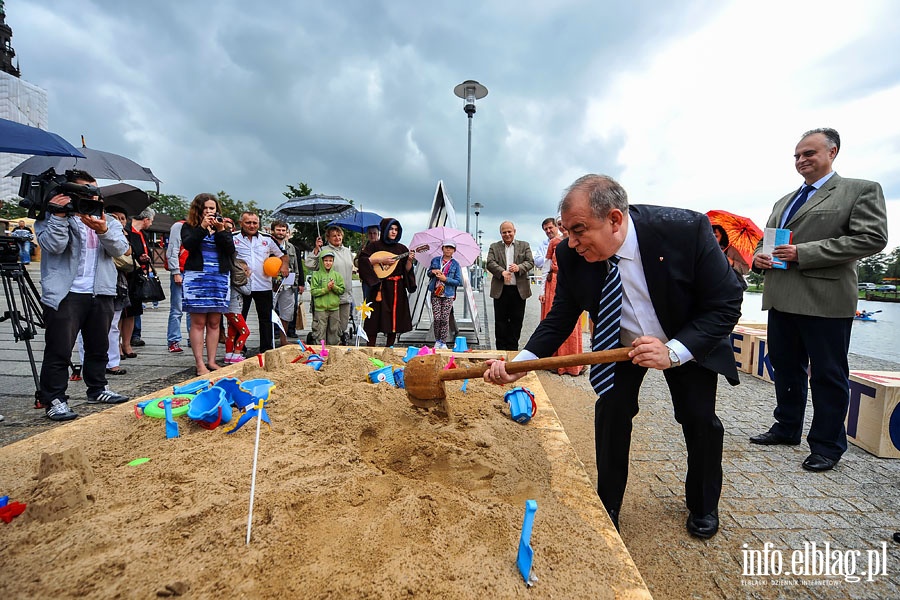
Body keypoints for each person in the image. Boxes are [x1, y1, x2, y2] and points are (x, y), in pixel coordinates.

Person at [484, 175, 742, 538]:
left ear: (615, 220)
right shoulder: (570, 255)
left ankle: (702, 504)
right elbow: (559, 320)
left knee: (699, 419)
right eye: (566, 231)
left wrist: (673, 352)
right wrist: (520, 366)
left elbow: (727, 302)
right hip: (621, 341)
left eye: (579, 230)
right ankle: (608, 507)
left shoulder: (686, 230)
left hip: (685, 337)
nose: (570, 243)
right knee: (611, 413)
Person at [750, 128, 888, 472]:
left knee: (828, 374)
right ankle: (786, 428)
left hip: (825, 298)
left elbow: (872, 238)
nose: (801, 160)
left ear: (832, 152)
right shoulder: (784, 201)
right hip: (781, 297)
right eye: (797, 155)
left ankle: (827, 446)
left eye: (808, 153)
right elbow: (764, 244)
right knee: (784, 367)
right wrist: (758, 259)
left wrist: (803, 253)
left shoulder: (860, 190)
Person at [34, 169, 132, 420]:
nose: (93, 196)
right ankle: (55, 399)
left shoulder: (107, 219)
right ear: (68, 193)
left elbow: (121, 249)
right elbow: (53, 246)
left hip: (100, 290)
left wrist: (102, 230)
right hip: (66, 293)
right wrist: (58, 215)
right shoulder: (51, 216)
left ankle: (98, 388)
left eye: (95, 191)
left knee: (98, 346)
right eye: (85, 191)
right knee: (59, 349)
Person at [181, 193, 235, 375]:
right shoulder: (189, 227)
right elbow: (188, 245)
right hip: (197, 279)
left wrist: (221, 230)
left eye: (213, 208)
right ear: (199, 209)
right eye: (207, 208)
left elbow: (230, 249)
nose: (210, 211)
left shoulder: (223, 228)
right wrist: (203, 228)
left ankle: (211, 361)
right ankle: (199, 363)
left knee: (214, 322)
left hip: (219, 279)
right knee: (198, 322)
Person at [233, 211, 287, 354]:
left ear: (259, 224)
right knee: (239, 317)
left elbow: (282, 255)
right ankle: (238, 348)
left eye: (255, 223)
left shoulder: (268, 238)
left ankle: (266, 349)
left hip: (263, 284)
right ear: (241, 223)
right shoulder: (233, 238)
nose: (252, 225)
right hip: (241, 286)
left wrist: (284, 267)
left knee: (265, 318)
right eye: (248, 222)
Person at [357, 218, 417, 347]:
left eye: (396, 229)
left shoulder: (402, 249)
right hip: (378, 288)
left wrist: (410, 261)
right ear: (384, 229)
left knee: (394, 319)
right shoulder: (374, 246)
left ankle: (389, 347)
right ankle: (370, 347)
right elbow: (363, 261)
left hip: (396, 289)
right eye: (391, 229)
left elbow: (406, 270)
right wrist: (380, 259)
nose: (393, 232)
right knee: (373, 318)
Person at [539, 221, 583, 375]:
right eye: (546, 228)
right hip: (554, 284)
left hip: (572, 283)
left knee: (572, 322)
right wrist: (542, 289)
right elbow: (546, 267)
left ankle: (572, 362)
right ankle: (554, 360)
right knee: (554, 320)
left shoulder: (578, 241)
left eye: (556, 225)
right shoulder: (554, 243)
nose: (550, 230)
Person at [485, 221, 534, 350]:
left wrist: (519, 267)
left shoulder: (524, 245)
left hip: (519, 291)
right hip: (501, 291)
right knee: (500, 323)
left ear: (514, 231)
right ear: (500, 233)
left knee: (516, 323)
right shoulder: (494, 247)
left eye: (509, 231)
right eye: (504, 232)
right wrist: (501, 272)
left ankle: (513, 350)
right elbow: (489, 263)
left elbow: (530, 262)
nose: (507, 234)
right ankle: (500, 351)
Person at [304, 225, 354, 343]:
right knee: (323, 327)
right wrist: (316, 249)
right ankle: (322, 349)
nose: (337, 237)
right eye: (333, 236)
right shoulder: (324, 250)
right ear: (328, 238)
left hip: (344, 295)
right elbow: (309, 264)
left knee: (340, 327)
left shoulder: (347, 251)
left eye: (339, 235)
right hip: (326, 296)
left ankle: (336, 349)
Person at [120, 208, 154, 357]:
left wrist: (144, 259)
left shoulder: (143, 234)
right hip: (124, 274)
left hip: (137, 276)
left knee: (132, 312)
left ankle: (127, 344)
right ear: (146, 219)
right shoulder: (126, 231)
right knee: (121, 313)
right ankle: (117, 346)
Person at [271, 220, 305, 347]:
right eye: (278, 230)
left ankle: (283, 339)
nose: (281, 232)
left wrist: (300, 283)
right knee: (270, 311)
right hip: (272, 284)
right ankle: (269, 339)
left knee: (287, 312)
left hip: (289, 284)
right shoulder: (267, 245)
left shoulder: (292, 248)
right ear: (272, 231)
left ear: (287, 232)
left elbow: (298, 266)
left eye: (283, 230)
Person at [427, 241, 463, 350]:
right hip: (435, 293)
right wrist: (433, 272)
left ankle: (443, 341)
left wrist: (445, 279)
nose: (448, 250)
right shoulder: (435, 260)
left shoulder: (455, 264)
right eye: (446, 247)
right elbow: (428, 273)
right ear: (442, 248)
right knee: (437, 318)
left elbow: (458, 281)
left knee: (445, 318)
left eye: (451, 248)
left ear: (454, 250)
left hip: (448, 294)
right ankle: (437, 340)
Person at [310, 248, 346, 345]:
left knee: (334, 331)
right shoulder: (316, 275)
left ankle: (334, 351)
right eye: (325, 260)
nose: (328, 263)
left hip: (334, 308)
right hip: (320, 309)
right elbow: (313, 291)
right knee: (320, 331)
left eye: (330, 260)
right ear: (321, 261)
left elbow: (342, 290)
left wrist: (333, 287)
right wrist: (326, 289)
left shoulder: (337, 275)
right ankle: (321, 351)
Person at [165, 218, 188, 353]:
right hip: (181, 270)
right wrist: (175, 271)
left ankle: (193, 338)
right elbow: (172, 249)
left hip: (194, 271)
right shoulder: (179, 226)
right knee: (177, 308)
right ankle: (173, 340)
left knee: (194, 310)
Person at [224, 256, 251, 364]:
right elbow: (247, 291)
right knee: (245, 332)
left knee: (232, 333)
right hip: (234, 311)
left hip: (229, 310)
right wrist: (248, 278)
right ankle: (236, 354)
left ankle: (228, 354)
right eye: (244, 270)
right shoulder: (236, 282)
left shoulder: (232, 280)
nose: (246, 272)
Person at [359, 225, 382, 301]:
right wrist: (362, 258)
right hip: (367, 280)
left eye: (374, 233)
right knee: (367, 302)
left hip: (379, 278)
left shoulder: (382, 247)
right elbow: (356, 262)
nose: (372, 235)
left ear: (378, 235)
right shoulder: (364, 248)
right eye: (370, 233)